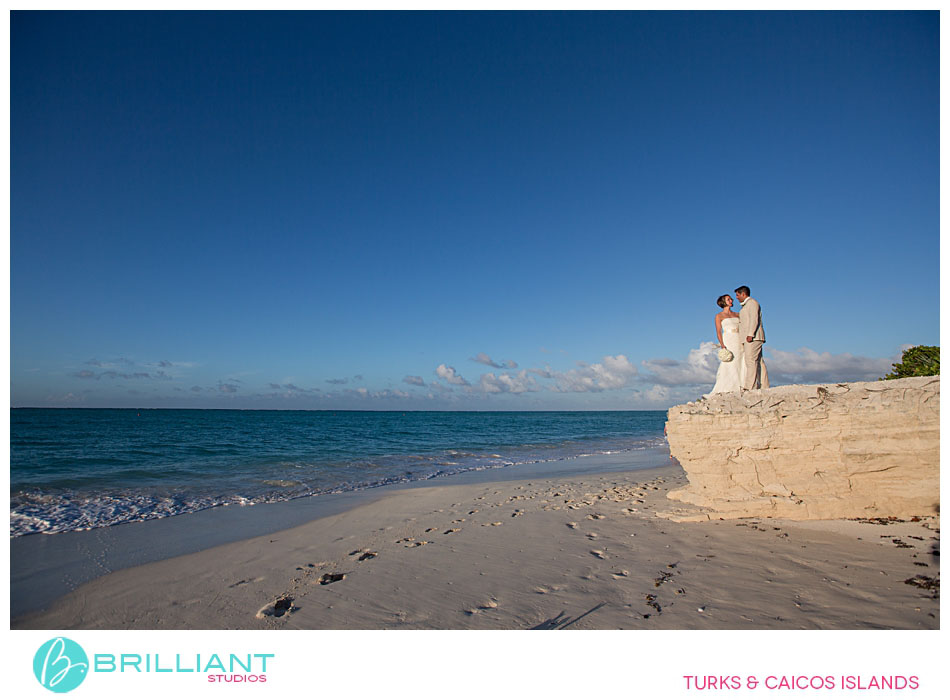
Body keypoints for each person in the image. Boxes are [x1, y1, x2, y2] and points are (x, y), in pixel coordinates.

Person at [734, 285, 769, 390]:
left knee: (750, 360)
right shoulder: (746, 305)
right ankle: (764, 385)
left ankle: (750, 386)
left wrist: (750, 334)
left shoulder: (752, 303)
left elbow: (754, 319)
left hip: (753, 337)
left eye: (737, 295)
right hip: (751, 337)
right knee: (758, 362)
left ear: (743, 294)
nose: (736, 297)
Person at [708, 294, 742, 394]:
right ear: (723, 302)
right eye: (728, 299)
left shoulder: (737, 314)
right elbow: (718, 331)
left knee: (740, 359)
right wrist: (722, 344)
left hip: (739, 337)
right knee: (730, 362)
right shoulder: (719, 316)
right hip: (729, 339)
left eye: (731, 299)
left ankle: (741, 384)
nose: (731, 300)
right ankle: (728, 387)